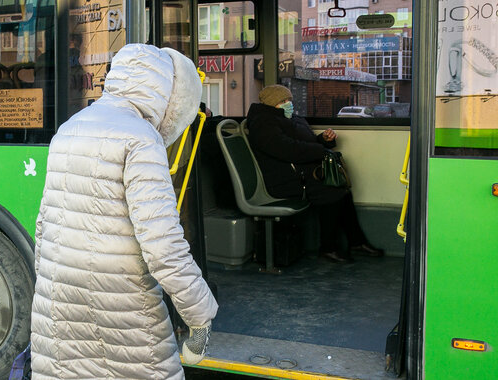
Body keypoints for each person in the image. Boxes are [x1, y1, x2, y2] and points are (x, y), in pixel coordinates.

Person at [30, 44, 219, 379]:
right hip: (123, 303)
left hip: (59, 296)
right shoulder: (141, 140)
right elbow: (164, 247)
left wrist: (50, 284)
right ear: (164, 94)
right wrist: (199, 315)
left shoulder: (70, 128)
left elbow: (44, 224)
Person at [246, 84, 383, 263]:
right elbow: (286, 149)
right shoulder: (263, 123)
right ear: (272, 103)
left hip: (299, 171)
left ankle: (356, 241)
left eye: (289, 100)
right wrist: (321, 151)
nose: (288, 104)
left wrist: (323, 140)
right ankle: (328, 248)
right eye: (283, 101)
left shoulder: (289, 118)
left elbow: (302, 142)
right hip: (283, 179)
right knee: (331, 191)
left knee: (343, 191)